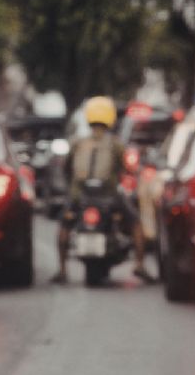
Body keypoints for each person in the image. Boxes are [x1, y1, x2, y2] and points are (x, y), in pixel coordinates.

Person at [51, 96, 153, 284]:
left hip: (79, 197)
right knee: (136, 222)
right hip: (109, 197)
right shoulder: (115, 144)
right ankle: (139, 265)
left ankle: (62, 270)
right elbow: (126, 168)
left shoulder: (77, 142)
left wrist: (70, 189)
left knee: (64, 225)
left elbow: (66, 169)